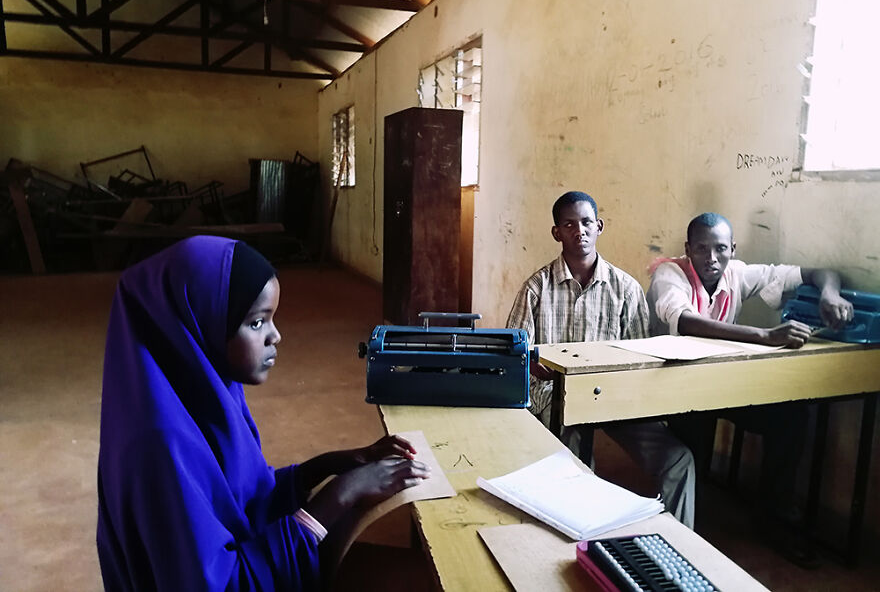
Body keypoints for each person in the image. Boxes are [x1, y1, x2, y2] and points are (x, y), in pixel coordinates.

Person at [96, 236, 430, 591]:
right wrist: (340, 495)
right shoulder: (160, 446)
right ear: (198, 324)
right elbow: (225, 584)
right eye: (256, 323)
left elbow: (248, 500)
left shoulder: (208, 393)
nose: (276, 336)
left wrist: (335, 464)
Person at [645, 211, 853, 565]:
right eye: (701, 249)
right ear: (687, 249)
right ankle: (682, 533)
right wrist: (766, 337)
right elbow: (686, 321)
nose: (712, 259)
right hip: (673, 387)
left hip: (722, 385)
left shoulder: (738, 273)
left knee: (790, 419)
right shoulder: (670, 274)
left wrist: (829, 293)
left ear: (733, 248)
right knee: (691, 443)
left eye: (721, 249)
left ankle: (772, 518)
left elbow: (815, 272)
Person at [506, 191, 696, 528]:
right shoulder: (537, 288)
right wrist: (535, 366)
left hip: (613, 398)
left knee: (678, 460)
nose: (578, 230)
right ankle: (581, 541)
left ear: (599, 226)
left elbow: (640, 357)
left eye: (586, 222)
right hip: (557, 400)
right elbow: (517, 356)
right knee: (576, 464)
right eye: (568, 224)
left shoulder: (626, 289)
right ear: (556, 232)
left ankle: (678, 546)